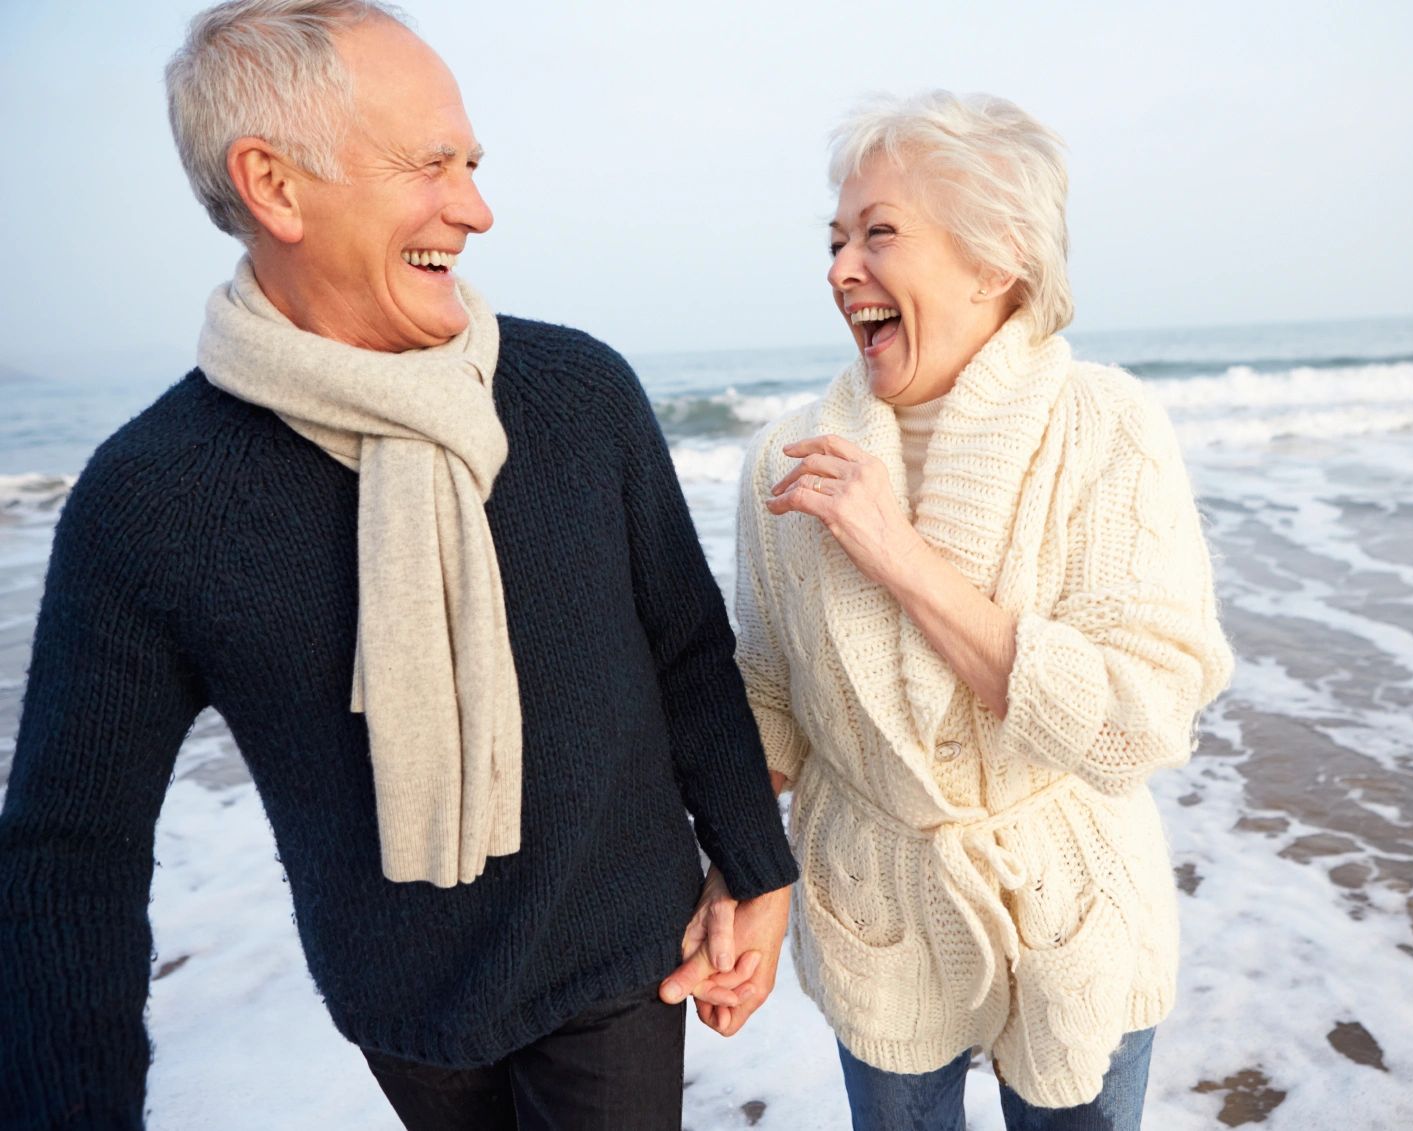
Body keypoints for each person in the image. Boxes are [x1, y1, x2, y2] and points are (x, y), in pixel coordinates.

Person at [0, 2, 792, 1128]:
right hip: (400, 1004)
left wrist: (756, 867)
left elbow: (685, 647)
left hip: (625, 954)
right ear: (273, 185)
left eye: (470, 163)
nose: (475, 208)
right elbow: (70, 855)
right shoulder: (152, 501)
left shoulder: (578, 395)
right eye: (432, 165)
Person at [732, 91, 1234, 1130]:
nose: (839, 269)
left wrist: (899, 554)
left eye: (878, 233)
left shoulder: (1106, 425)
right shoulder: (784, 456)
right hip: (875, 903)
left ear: (999, 259)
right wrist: (730, 873)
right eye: (834, 240)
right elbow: (770, 689)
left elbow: (1139, 719)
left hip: (1073, 907)